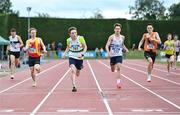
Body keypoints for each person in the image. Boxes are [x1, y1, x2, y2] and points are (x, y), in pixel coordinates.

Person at [62, 27, 87, 92]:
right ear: (69, 34)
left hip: (79, 57)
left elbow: (85, 47)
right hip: (72, 56)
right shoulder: (68, 40)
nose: (74, 34)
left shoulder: (80, 38)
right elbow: (68, 47)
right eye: (72, 33)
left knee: (77, 73)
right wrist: (64, 53)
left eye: (75, 32)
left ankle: (80, 67)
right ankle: (74, 86)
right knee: (73, 70)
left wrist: (82, 53)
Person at [105, 23, 129, 89]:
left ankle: (118, 83)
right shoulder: (111, 37)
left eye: (118, 29)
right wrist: (108, 52)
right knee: (112, 69)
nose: (117, 30)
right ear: (114, 30)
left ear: (120, 30)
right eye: (116, 29)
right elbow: (107, 45)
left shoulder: (122, 37)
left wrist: (125, 49)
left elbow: (122, 45)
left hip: (119, 55)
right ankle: (112, 66)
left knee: (118, 68)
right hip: (112, 55)